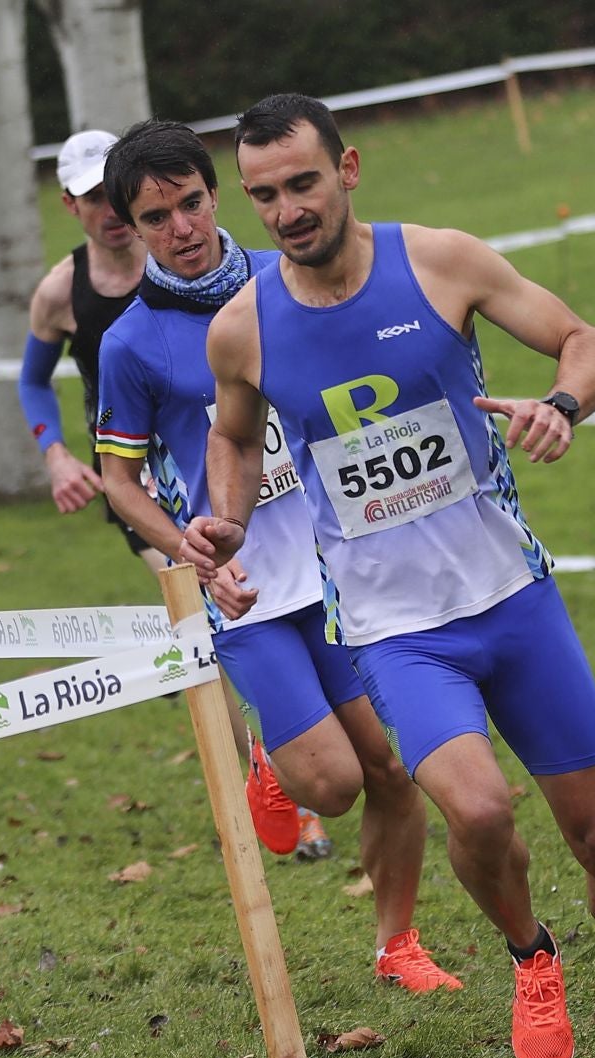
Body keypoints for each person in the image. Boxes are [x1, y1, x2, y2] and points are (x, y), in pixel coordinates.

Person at [178, 94, 595, 1058]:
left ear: (348, 168)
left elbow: (587, 342)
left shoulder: (440, 261)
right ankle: (532, 955)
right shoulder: (242, 327)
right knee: (480, 811)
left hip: (511, 598)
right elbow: (235, 438)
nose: (289, 210)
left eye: (304, 183)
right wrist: (228, 524)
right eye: (265, 195)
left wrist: (560, 406)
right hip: (394, 630)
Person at [90, 119, 459, 993]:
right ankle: (271, 757)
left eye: (190, 203)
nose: (181, 229)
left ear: (217, 194)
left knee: (393, 770)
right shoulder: (131, 343)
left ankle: (397, 943)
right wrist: (188, 548)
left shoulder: (288, 279)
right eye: (155, 218)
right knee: (331, 787)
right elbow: (119, 481)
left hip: (341, 570)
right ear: (129, 228)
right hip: (244, 587)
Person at [18, 129, 324, 859]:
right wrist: (56, 455)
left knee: (252, 622)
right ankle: (273, 766)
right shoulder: (64, 292)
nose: (108, 213)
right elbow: (31, 381)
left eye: (113, 196)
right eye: (92, 199)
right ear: (73, 206)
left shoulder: (226, 266)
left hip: (254, 472)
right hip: (153, 486)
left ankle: (287, 755)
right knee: (211, 620)